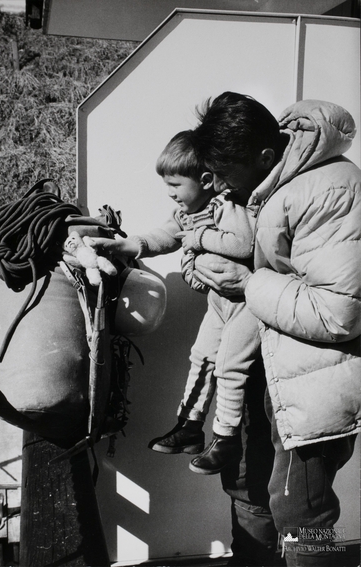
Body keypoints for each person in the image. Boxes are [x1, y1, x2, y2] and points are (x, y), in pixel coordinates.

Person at [190, 91, 361, 566]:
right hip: (280, 371)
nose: (218, 185)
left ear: (265, 156)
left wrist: (247, 283)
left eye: (225, 173)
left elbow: (338, 313)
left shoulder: (327, 191)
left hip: (313, 384)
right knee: (259, 490)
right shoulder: (277, 182)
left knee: (304, 514)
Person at [90, 129, 264, 475]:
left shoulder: (225, 205)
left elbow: (244, 244)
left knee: (230, 365)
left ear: (205, 180)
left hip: (247, 303)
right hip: (219, 301)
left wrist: (198, 237)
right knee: (201, 356)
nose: (170, 194)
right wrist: (128, 245)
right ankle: (189, 427)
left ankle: (226, 439)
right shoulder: (188, 212)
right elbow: (167, 235)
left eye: (175, 186)